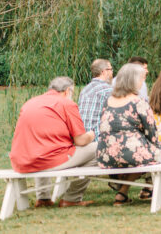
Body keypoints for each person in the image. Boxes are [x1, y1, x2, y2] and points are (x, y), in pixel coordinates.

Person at [9, 77, 96, 208]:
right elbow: (80, 140)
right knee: (99, 149)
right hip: (49, 158)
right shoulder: (67, 104)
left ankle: (43, 198)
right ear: (67, 91)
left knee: (43, 147)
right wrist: (91, 135)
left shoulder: (30, 102)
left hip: (22, 160)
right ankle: (72, 198)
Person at [97, 63, 161, 205]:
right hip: (130, 153)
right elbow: (151, 131)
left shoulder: (108, 101)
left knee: (134, 152)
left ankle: (123, 190)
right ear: (134, 81)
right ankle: (126, 190)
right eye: (141, 79)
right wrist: (157, 147)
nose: (142, 83)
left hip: (105, 153)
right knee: (151, 154)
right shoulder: (138, 101)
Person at [78, 58, 114, 135]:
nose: (112, 73)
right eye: (110, 69)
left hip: (83, 137)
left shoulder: (85, 90)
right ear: (104, 72)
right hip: (98, 137)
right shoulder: (108, 90)